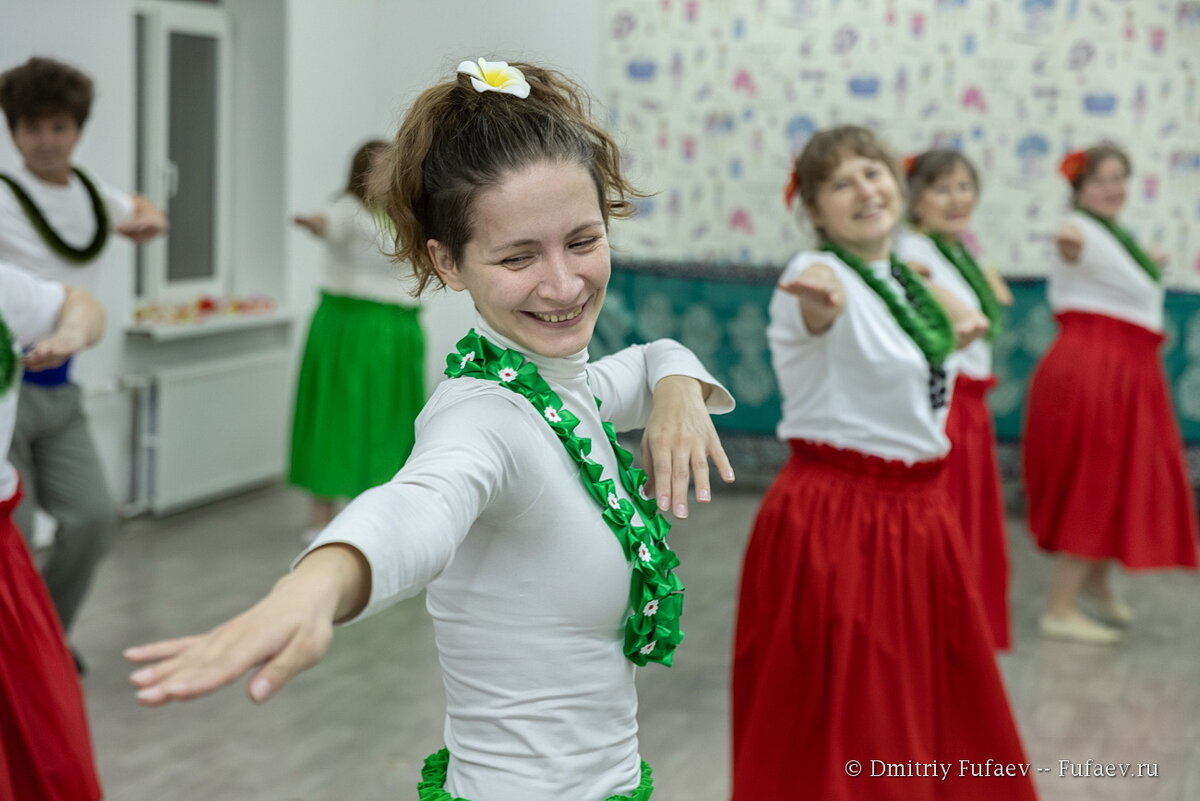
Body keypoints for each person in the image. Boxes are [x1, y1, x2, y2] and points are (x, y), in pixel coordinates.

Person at [126, 58, 735, 801]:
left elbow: (644, 361)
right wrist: (319, 584)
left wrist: (675, 385)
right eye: (518, 256)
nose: (565, 283)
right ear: (448, 263)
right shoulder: (483, 415)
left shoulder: (557, 385)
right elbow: (419, 502)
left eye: (582, 240)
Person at [731, 125, 1036, 800]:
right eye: (841, 183)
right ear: (813, 210)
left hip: (920, 513)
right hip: (843, 516)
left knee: (929, 701)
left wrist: (918, 269)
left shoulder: (901, 275)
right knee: (858, 721)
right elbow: (813, 296)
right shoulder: (817, 277)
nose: (865, 191)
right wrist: (816, 288)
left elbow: (972, 324)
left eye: (874, 174)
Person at [0, 56, 167, 656]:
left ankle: (40, 640)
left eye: (60, 127)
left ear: (77, 129)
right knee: (9, 539)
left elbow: (144, 207)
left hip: (61, 389)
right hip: (6, 390)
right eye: (32, 128)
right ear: (14, 131)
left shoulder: (92, 195)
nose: (47, 141)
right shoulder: (5, 195)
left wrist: (148, 219)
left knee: (95, 518)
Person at [1023, 145, 1198, 644]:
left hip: (1125, 368)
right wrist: (1066, 235)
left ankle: (1095, 583)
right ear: (1078, 190)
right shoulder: (1078, 232)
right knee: (1096, 476)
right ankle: (1059, 606)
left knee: (1120, 476)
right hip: (1096, 367)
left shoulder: (1119, 238)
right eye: (1100, 180)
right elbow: (1067, 242)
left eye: (1120, 178)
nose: (1112, 188)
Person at [896, 148, 1014, 650]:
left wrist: (970, 254)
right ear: (915, 199)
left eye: (965, 187)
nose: (956, 198)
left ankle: (961, 633)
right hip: (948, 406)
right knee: (949, 523)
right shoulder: (912, 252)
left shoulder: (955, 251)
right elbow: (971, 320)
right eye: (942, 189)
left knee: (971, 522)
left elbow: (1002, 298)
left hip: (972, 405)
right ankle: (939, 633)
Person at [0, 261, 105, 801]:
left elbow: (80, 304)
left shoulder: (5, 288)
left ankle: (52, 634)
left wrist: (69, 334)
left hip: (4, 561)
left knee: (47, 750)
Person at [290, 139, 425, 538]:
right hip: (351, 329)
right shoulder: (349, 210)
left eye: (392, 167)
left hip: (398, 330)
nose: (386, 176)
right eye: (379, 167)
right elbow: (327, 224)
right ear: (361, 174)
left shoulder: (403, 215)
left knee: (391, 419)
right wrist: (315, 224)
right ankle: (321, 519)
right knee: (339, 416)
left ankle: (376, 511)